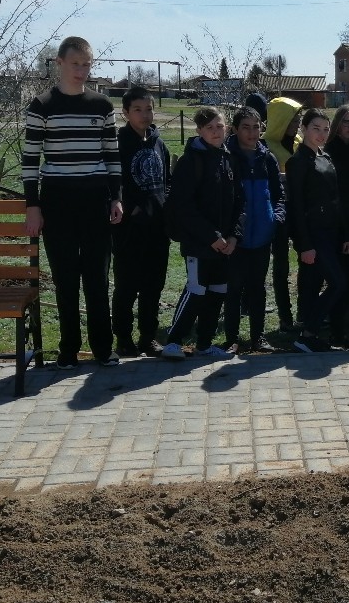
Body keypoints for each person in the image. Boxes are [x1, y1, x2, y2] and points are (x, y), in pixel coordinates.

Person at [22, 36, 123, 369]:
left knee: (97, 278)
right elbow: (30, 160)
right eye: (75, 63)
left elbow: (112, 156)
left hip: (95, 201)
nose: (81, 70)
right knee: (66, 280)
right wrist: (33, 206)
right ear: (59, 63)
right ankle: (67, 350)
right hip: (58, 202)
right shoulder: (42, 106)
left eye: (87, 64)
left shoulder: (102, 106)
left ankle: (102, 348)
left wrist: (115, 198)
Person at [159, 107, 243, 361]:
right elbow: (184, 207)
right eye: (210, 128)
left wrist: (233, 236)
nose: (216, 132)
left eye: (219, 126)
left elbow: (239, 201)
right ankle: (173, 340)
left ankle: (204, 343)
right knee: (196, 291)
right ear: (199, 131)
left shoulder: (228, 157)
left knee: (217, 292)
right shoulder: (190, 162)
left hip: (225, 244)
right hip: (199, 244)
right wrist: (211, 237)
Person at [111, 86, 171, 358]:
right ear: (125, 113)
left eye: (149, 108)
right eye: (138, 109)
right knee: (127, 286)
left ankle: (148, 336)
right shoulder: (118, 144)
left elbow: (166, 182)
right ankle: (123, 339)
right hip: (129, 230)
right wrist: (133, 210)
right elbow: (114, 184)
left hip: (158, 228)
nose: (145, 115)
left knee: (153, 285)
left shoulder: (159, 143)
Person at [287, 109, 349, 353]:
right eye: (316, 128)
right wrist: (304, 244)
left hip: (331, 233)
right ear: (303, 128)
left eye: (325, 129)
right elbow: (296, 206)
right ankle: (306, 332)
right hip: (313, 235)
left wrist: (345, 234)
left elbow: (337, 199)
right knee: (338, 283)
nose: (321, 134)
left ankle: (308, 335)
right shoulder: (297, 162)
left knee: (320, 284)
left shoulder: (326, 157)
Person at [223, 105, 285, 354]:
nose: (251, 133)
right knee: (234, 288)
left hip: (261, 236)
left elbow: (279, 195)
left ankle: (258, 337)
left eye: (256, 127)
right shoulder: (227, 157)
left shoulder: (267, 159)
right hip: (234, 238)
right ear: (235, 129)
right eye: (245, 127)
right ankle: (231, 339)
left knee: (257, 288)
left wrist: (276, 218)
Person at [325, 103, 349, 347]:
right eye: (346, 123)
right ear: (337, 124)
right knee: (339, 280)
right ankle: (335, 330)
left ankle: (343, 328)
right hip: (337, 223)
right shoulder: (329, 151)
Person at [264, 96, 304, 331]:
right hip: (279, 212)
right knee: (281, 267)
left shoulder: (300, 142)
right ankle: (285, 316)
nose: (297, 124)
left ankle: (303, 312)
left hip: (301, 211)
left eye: (299, 119)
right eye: (292, 119)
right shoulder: (268, 146)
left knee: (307, 263)